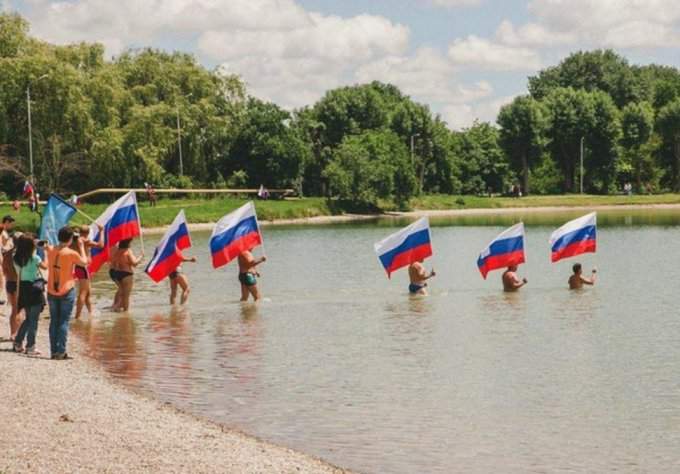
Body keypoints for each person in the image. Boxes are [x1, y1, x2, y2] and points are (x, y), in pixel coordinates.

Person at [46, 226, 88, 360]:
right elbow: (84, 263)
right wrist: (81, 246)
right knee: (63, 321)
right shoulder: (71, 253)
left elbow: (46, 247)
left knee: (54, 321)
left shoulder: (51, 249)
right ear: (70, 239)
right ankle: (61, 351)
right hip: (66, 289)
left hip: (52, 290)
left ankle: (53, 351)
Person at [12, 234, 47, 356]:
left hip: (23, 288)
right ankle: (30, 346)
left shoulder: (15, 258)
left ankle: (18, 342)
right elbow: (45, 267)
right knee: (34, 320)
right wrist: (43, 251)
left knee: (29, 318)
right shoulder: (35, 258)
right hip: (34, 288)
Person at [71, 224, 105, 319]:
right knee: (83, 292)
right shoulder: (83, 240)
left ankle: (90, 312)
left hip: (80, 268)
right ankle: (77, 316)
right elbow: (100, 245)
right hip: (83, 268)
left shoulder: (75, 240)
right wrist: (102, 231)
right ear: (88, 233)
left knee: (88, 293)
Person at [108, 239, 143, 312]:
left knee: (121, 292)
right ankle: (125, 312)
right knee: (126, 296)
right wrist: (141, 256)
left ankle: (116, 306)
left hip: (117, 273)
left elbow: (113, 263)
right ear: (128, 244)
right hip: (126, 274)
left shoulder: (116, 251)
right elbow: (134, 263)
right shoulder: (128, 251)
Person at [0, 215, 15, 306]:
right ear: (7, 222)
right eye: (11, 224)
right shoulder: (2, 231)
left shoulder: (3, 231)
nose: (12, 226)